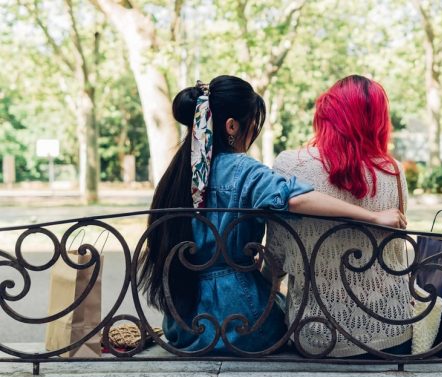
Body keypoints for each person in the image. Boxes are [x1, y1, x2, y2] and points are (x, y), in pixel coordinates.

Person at [137, 75, 406, 354]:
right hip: (240, 323)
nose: (253, 135)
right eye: (254, 125)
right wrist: (371, 216)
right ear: (232, 126)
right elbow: (297, 199)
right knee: (278, 308)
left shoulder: (176, 173)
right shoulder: (243, 169)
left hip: (183, 324)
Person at [269, 75, 415, 357]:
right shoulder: (393, 171)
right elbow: (396, 255)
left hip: (316, 336)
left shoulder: (290, 164)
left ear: (326, 114)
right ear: (379, 121)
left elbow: (276, 253)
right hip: (393, 331)